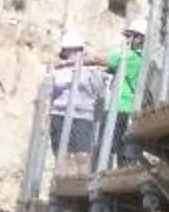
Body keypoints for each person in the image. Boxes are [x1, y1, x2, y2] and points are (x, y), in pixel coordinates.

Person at [43, 35, 109, 173]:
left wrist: (92, 74)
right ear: (65, 52)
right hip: (59, 115)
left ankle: (82, 188)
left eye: (76, 51)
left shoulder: (90, 70)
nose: (73, 54)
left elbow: (99, 91)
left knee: (82, 155)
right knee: (61, 155)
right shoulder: (57, 70)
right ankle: (60, 186)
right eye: (69, 51)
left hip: (82, 116)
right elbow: (49, 94)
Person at [103, 24, 147, 161]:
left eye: (130, 36)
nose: (127, 40)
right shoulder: (135, 57)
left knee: (121, 148)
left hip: (123, 106)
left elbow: (103, 59)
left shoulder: (132, 57)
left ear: (139, 38)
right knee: (120, 147)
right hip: (122, 105)